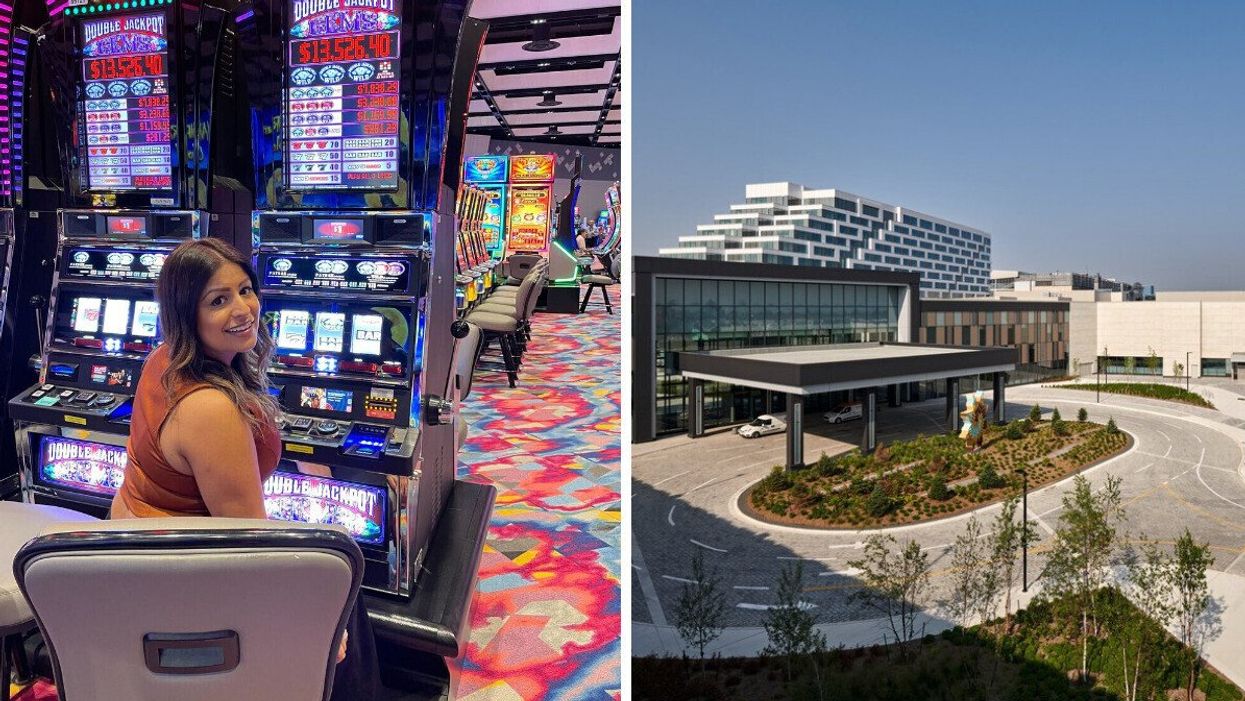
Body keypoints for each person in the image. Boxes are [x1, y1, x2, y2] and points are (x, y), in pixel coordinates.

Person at [109, 238, 378, 700]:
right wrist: (306, 615)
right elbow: (250, 543)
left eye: (245, 290)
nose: (243, 309)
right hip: (181, 570)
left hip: (141, 542)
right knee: (341, 582)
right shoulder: (211, 409)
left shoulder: (164, 358)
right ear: (186, 313)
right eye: (218, 300)